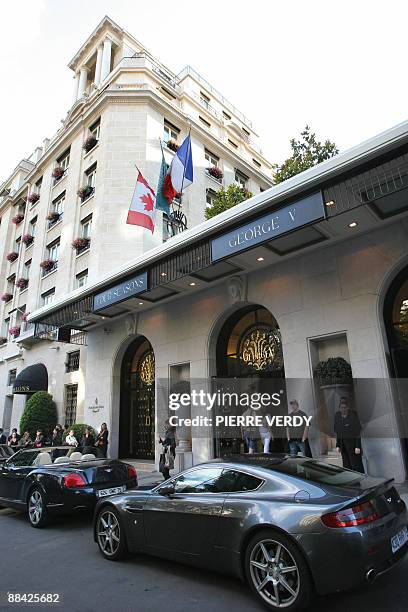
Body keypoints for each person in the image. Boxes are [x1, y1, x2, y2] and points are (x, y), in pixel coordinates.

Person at [334, 398, 364, 473]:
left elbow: (358, 431)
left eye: (345, 407)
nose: (343, 409)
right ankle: (350, 482)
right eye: (341, 407)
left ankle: (360, 481)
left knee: (356, 464)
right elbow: (337, 431)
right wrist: (337, 445)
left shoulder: (353, 414)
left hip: (353, 444)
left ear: (348, 407)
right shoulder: (337, 415)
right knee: (346, 465)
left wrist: (358, 446)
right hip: (343, 444)